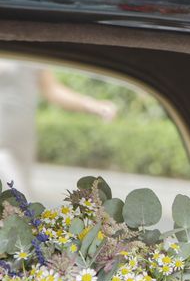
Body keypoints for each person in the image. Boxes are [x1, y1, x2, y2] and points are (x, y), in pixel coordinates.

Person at [0, 59, 117, 197]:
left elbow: (52, 89)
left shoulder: (33, 48)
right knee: (16, 199)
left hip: (21, 140)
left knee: (16, 198)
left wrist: (92, 105)